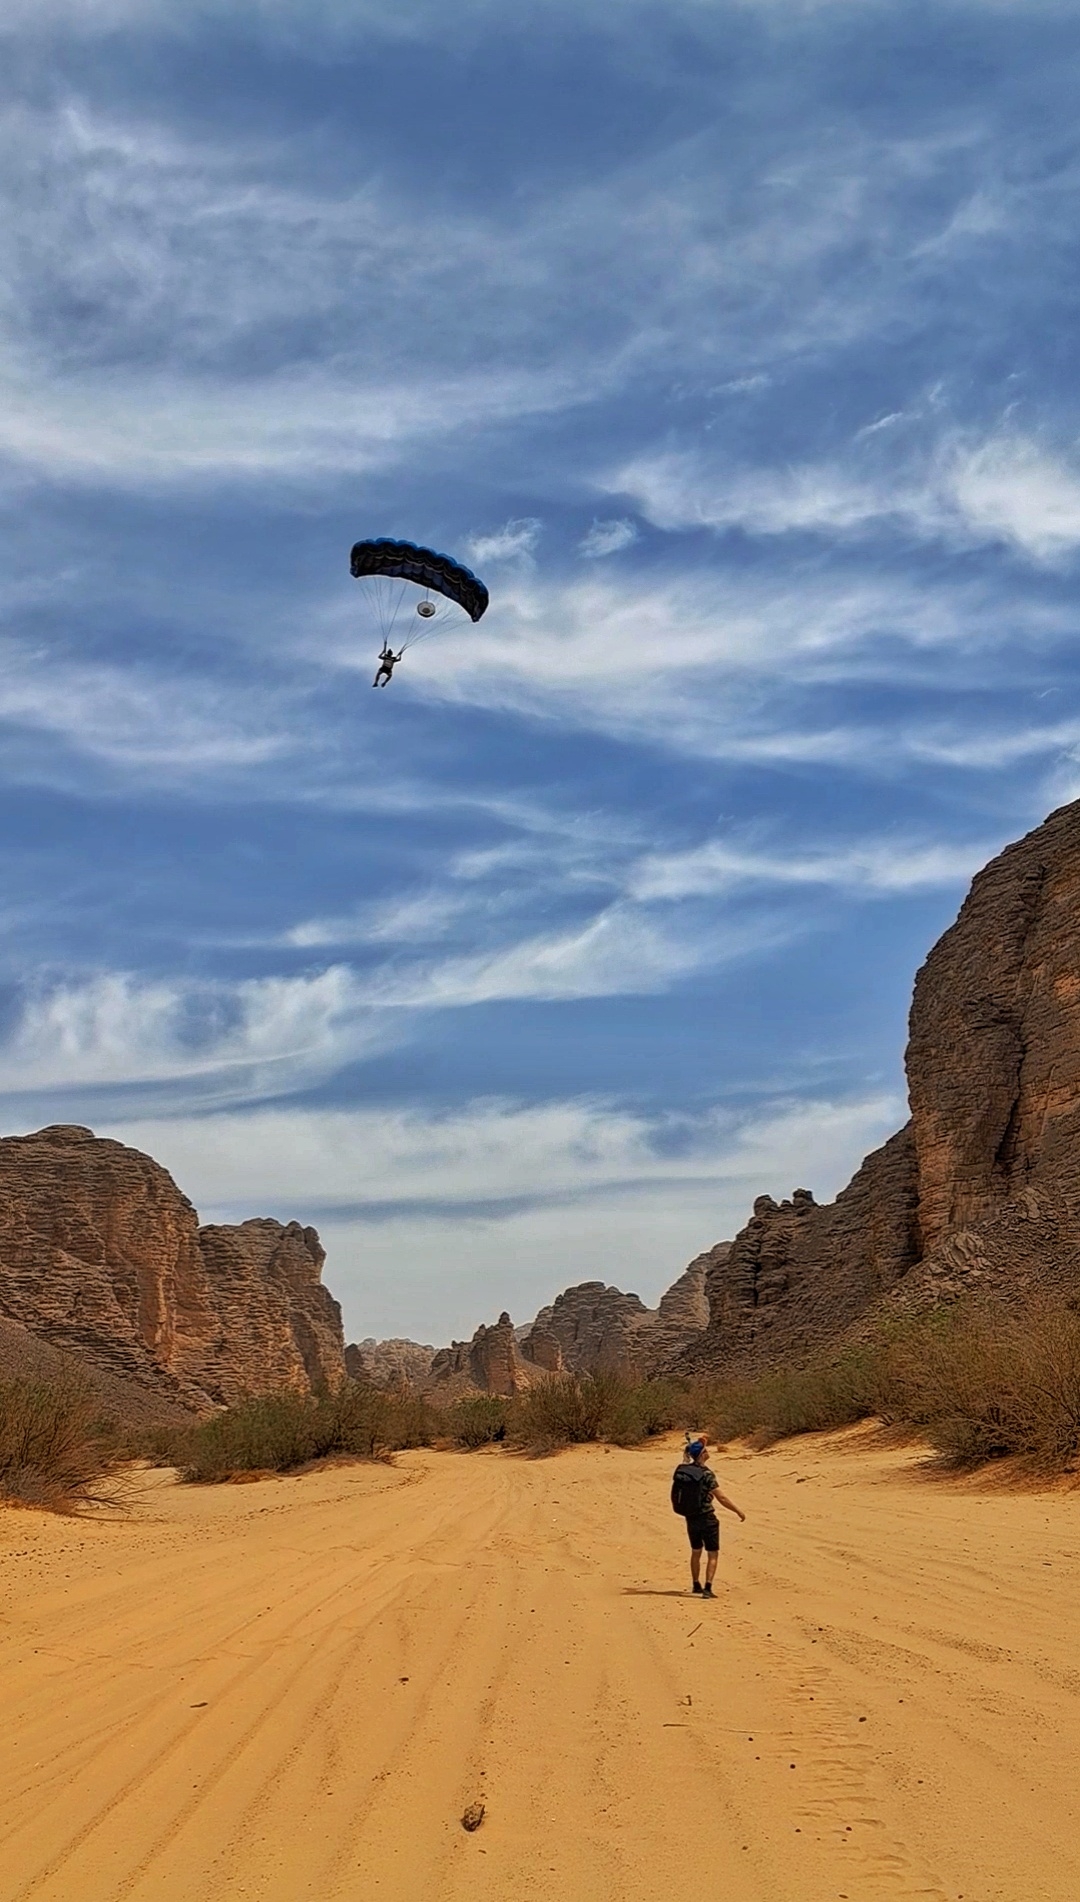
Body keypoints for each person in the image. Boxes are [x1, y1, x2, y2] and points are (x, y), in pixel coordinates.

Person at [671, 1437, 745, 1597]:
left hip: (691, 1517)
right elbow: (722, 1498)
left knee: (696, 1551)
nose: (708, 1451)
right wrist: (738, 1511)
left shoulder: (685, 1471)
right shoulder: (706, 1474)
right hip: (707, 1518)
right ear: (702, 1455)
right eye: (706, 1450)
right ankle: (708, 1588)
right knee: (712, 1553)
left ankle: (696, 1584)